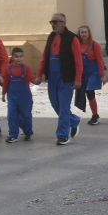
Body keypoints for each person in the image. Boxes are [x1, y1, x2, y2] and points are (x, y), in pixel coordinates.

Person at [36, 13, 83, 145]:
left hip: (66, 77)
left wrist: (78, 78)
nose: (53, 24)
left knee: (63, 107)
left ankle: (62, 135)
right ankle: (74, 120)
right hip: (53, 76)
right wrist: (39, 74)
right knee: (55, 104)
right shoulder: (51, 37)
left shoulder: (72, 38)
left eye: (55, 22)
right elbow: (45, 56)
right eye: (51, 22)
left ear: (63, 23)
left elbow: (78, 60)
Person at [1, 46, 35, 143]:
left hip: (25, 97)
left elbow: (32, 78)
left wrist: (37, 80)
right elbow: (6, 82)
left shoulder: (26, 68)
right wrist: (3, 94)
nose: (19, 59)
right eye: (16, 56)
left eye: (21, 56)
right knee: (12, 115)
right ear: (12, 57)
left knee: (26, 116)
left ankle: (28, 133)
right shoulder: (8, 69)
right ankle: (13, 135)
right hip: (12, 96)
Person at [77, 25, 107, 125]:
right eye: (82, 32)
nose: (84, 34)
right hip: (83, 73)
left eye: (85, 32)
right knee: (83, 93)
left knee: (90, 92)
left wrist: (102, 75)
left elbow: (99, 60)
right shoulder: (76, 45)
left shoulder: (94, 45)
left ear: (89, 33)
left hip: (93, 72)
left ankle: (95, 115)